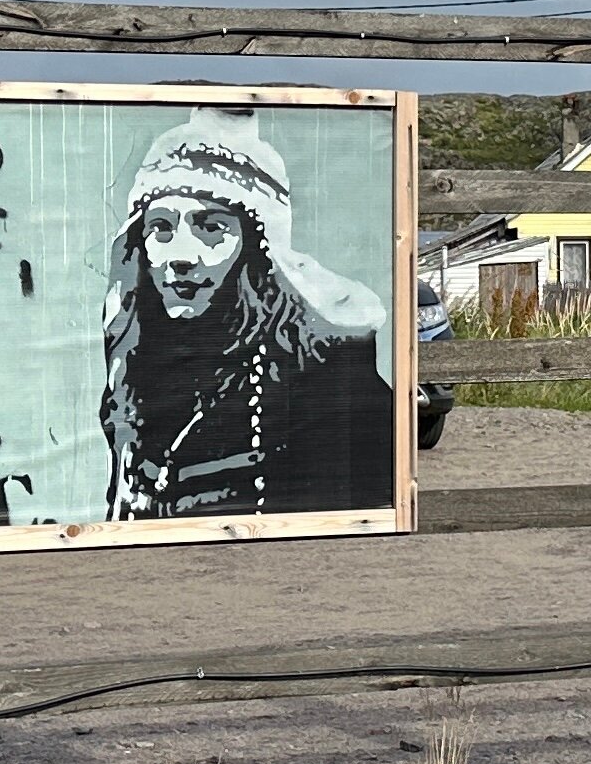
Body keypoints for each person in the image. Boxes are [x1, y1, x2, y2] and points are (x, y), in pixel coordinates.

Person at [99, 110, 397, 521]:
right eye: (161, 228)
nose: (181, 255)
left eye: (211, 227)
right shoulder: (135, 373)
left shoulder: (331, 386)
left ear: (257, 251)